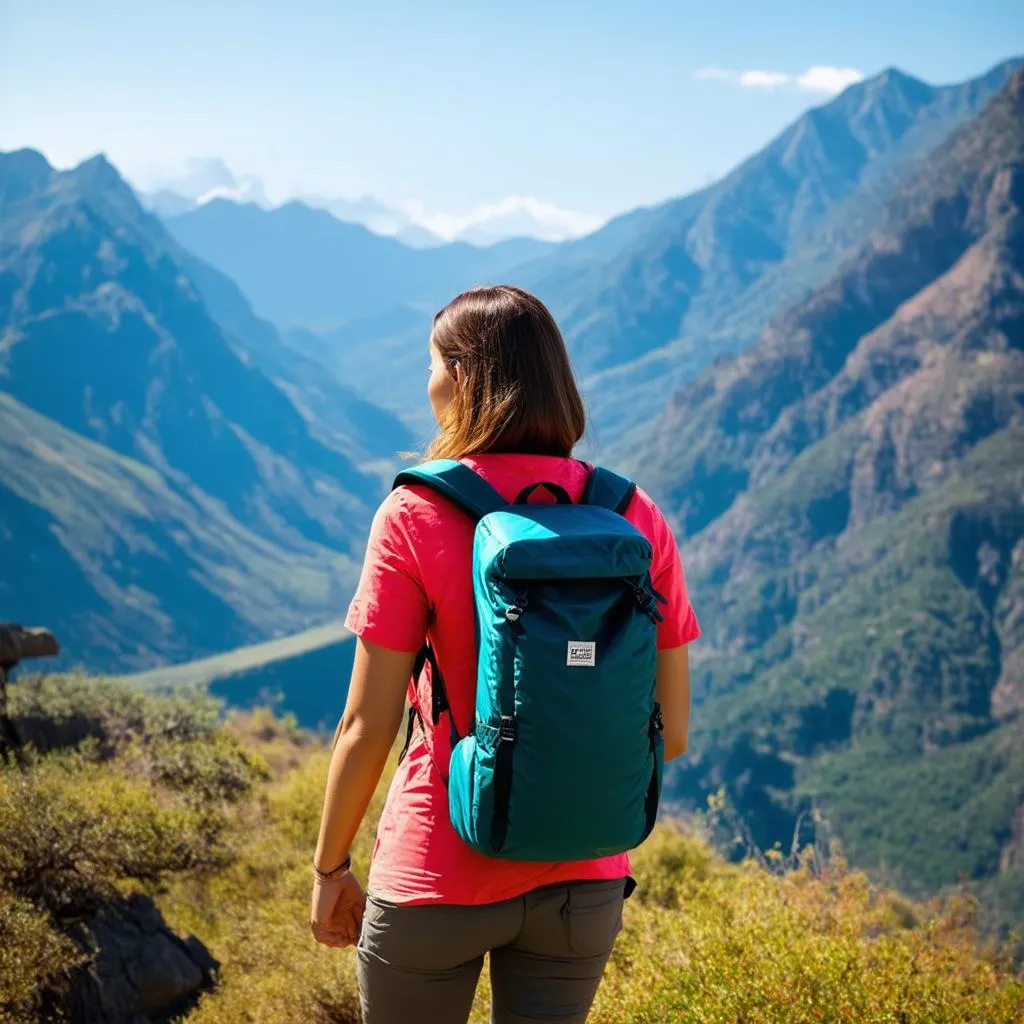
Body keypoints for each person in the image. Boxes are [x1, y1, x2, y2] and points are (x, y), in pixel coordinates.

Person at [310, 285, 700, 1023]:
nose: (425, 383)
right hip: (583, 884)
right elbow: (669, 734)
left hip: (435, 870)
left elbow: (364, 726)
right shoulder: (635, 517)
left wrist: (331, 869)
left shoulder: (416, 514)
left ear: (461, 380)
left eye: (430, 365)